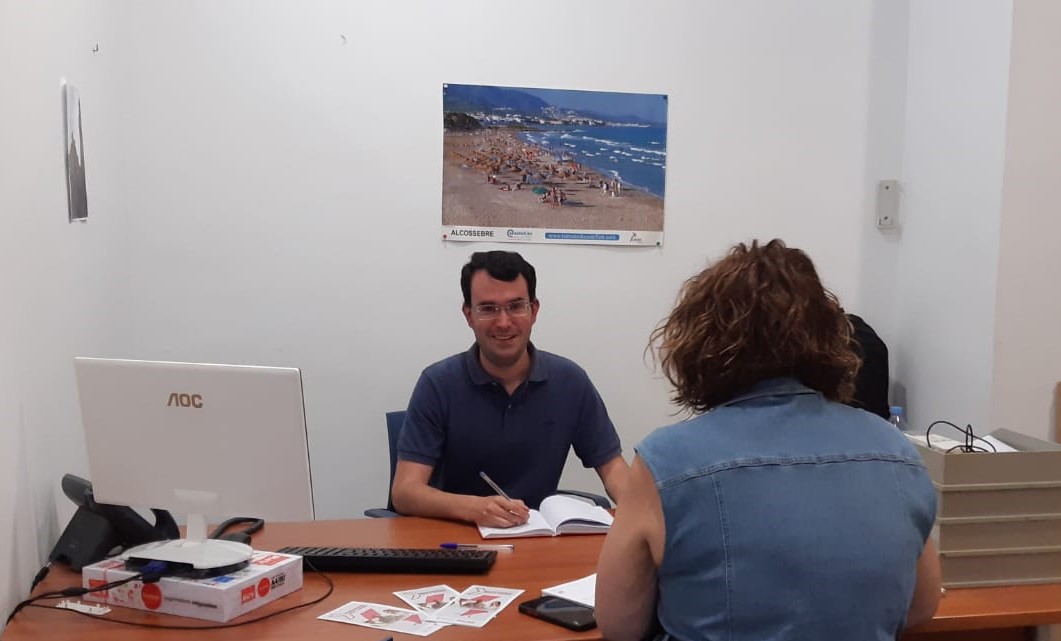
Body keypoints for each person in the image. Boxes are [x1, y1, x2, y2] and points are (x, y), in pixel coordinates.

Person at [596, 239, 940, 641]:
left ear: (701, 344)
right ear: (830, 337)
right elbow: (921, 606)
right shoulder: (896, 450)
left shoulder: (667, 461)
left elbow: (620, 626)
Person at [392, 250, 629, 527]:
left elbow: (614, 469)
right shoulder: (438, 383)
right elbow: (405, 492)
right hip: (457, 539)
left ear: (534, 310)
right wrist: (474, 508)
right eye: (488, 309)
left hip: (538, 538)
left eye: (516, 306)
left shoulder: (570, 381)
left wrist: (643, 515)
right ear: (469, 315)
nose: (504, 322)